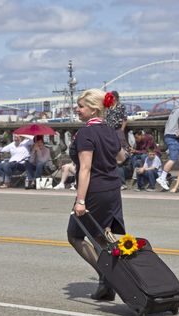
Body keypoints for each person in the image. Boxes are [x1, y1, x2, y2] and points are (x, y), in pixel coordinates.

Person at [67, 89, 126, 301]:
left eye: (81, 106)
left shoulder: (85, 133)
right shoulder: (110, 130)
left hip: (95, 192)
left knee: (75, 235)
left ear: (93, 109)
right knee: (101, 236)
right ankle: (105, 285)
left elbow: (85, 169)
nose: (77, 109)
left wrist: (80, 201)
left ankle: (107, 275)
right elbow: (121, 157)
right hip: (113, 189)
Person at [156, 100, 179, 190]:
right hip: (174, 137)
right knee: (173, 158)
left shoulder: (174, 111)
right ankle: (162, 177)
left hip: (170, 136)